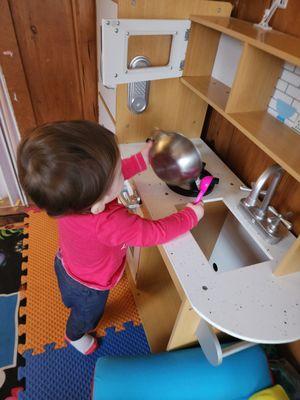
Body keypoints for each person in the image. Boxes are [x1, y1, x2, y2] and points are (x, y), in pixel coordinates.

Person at [17, 120, 204, 355]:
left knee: (70, 296)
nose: (121, 170)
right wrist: (190, 216)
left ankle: (71, 303)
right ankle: (74, 335)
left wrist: (143, 157)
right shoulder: (110, 222)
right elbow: (154, 233)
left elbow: (112, 174)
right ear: (98, 203)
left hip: (65, 264)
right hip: (91, 287)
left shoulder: (68, 199)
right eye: (117, 172)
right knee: (86, 316)